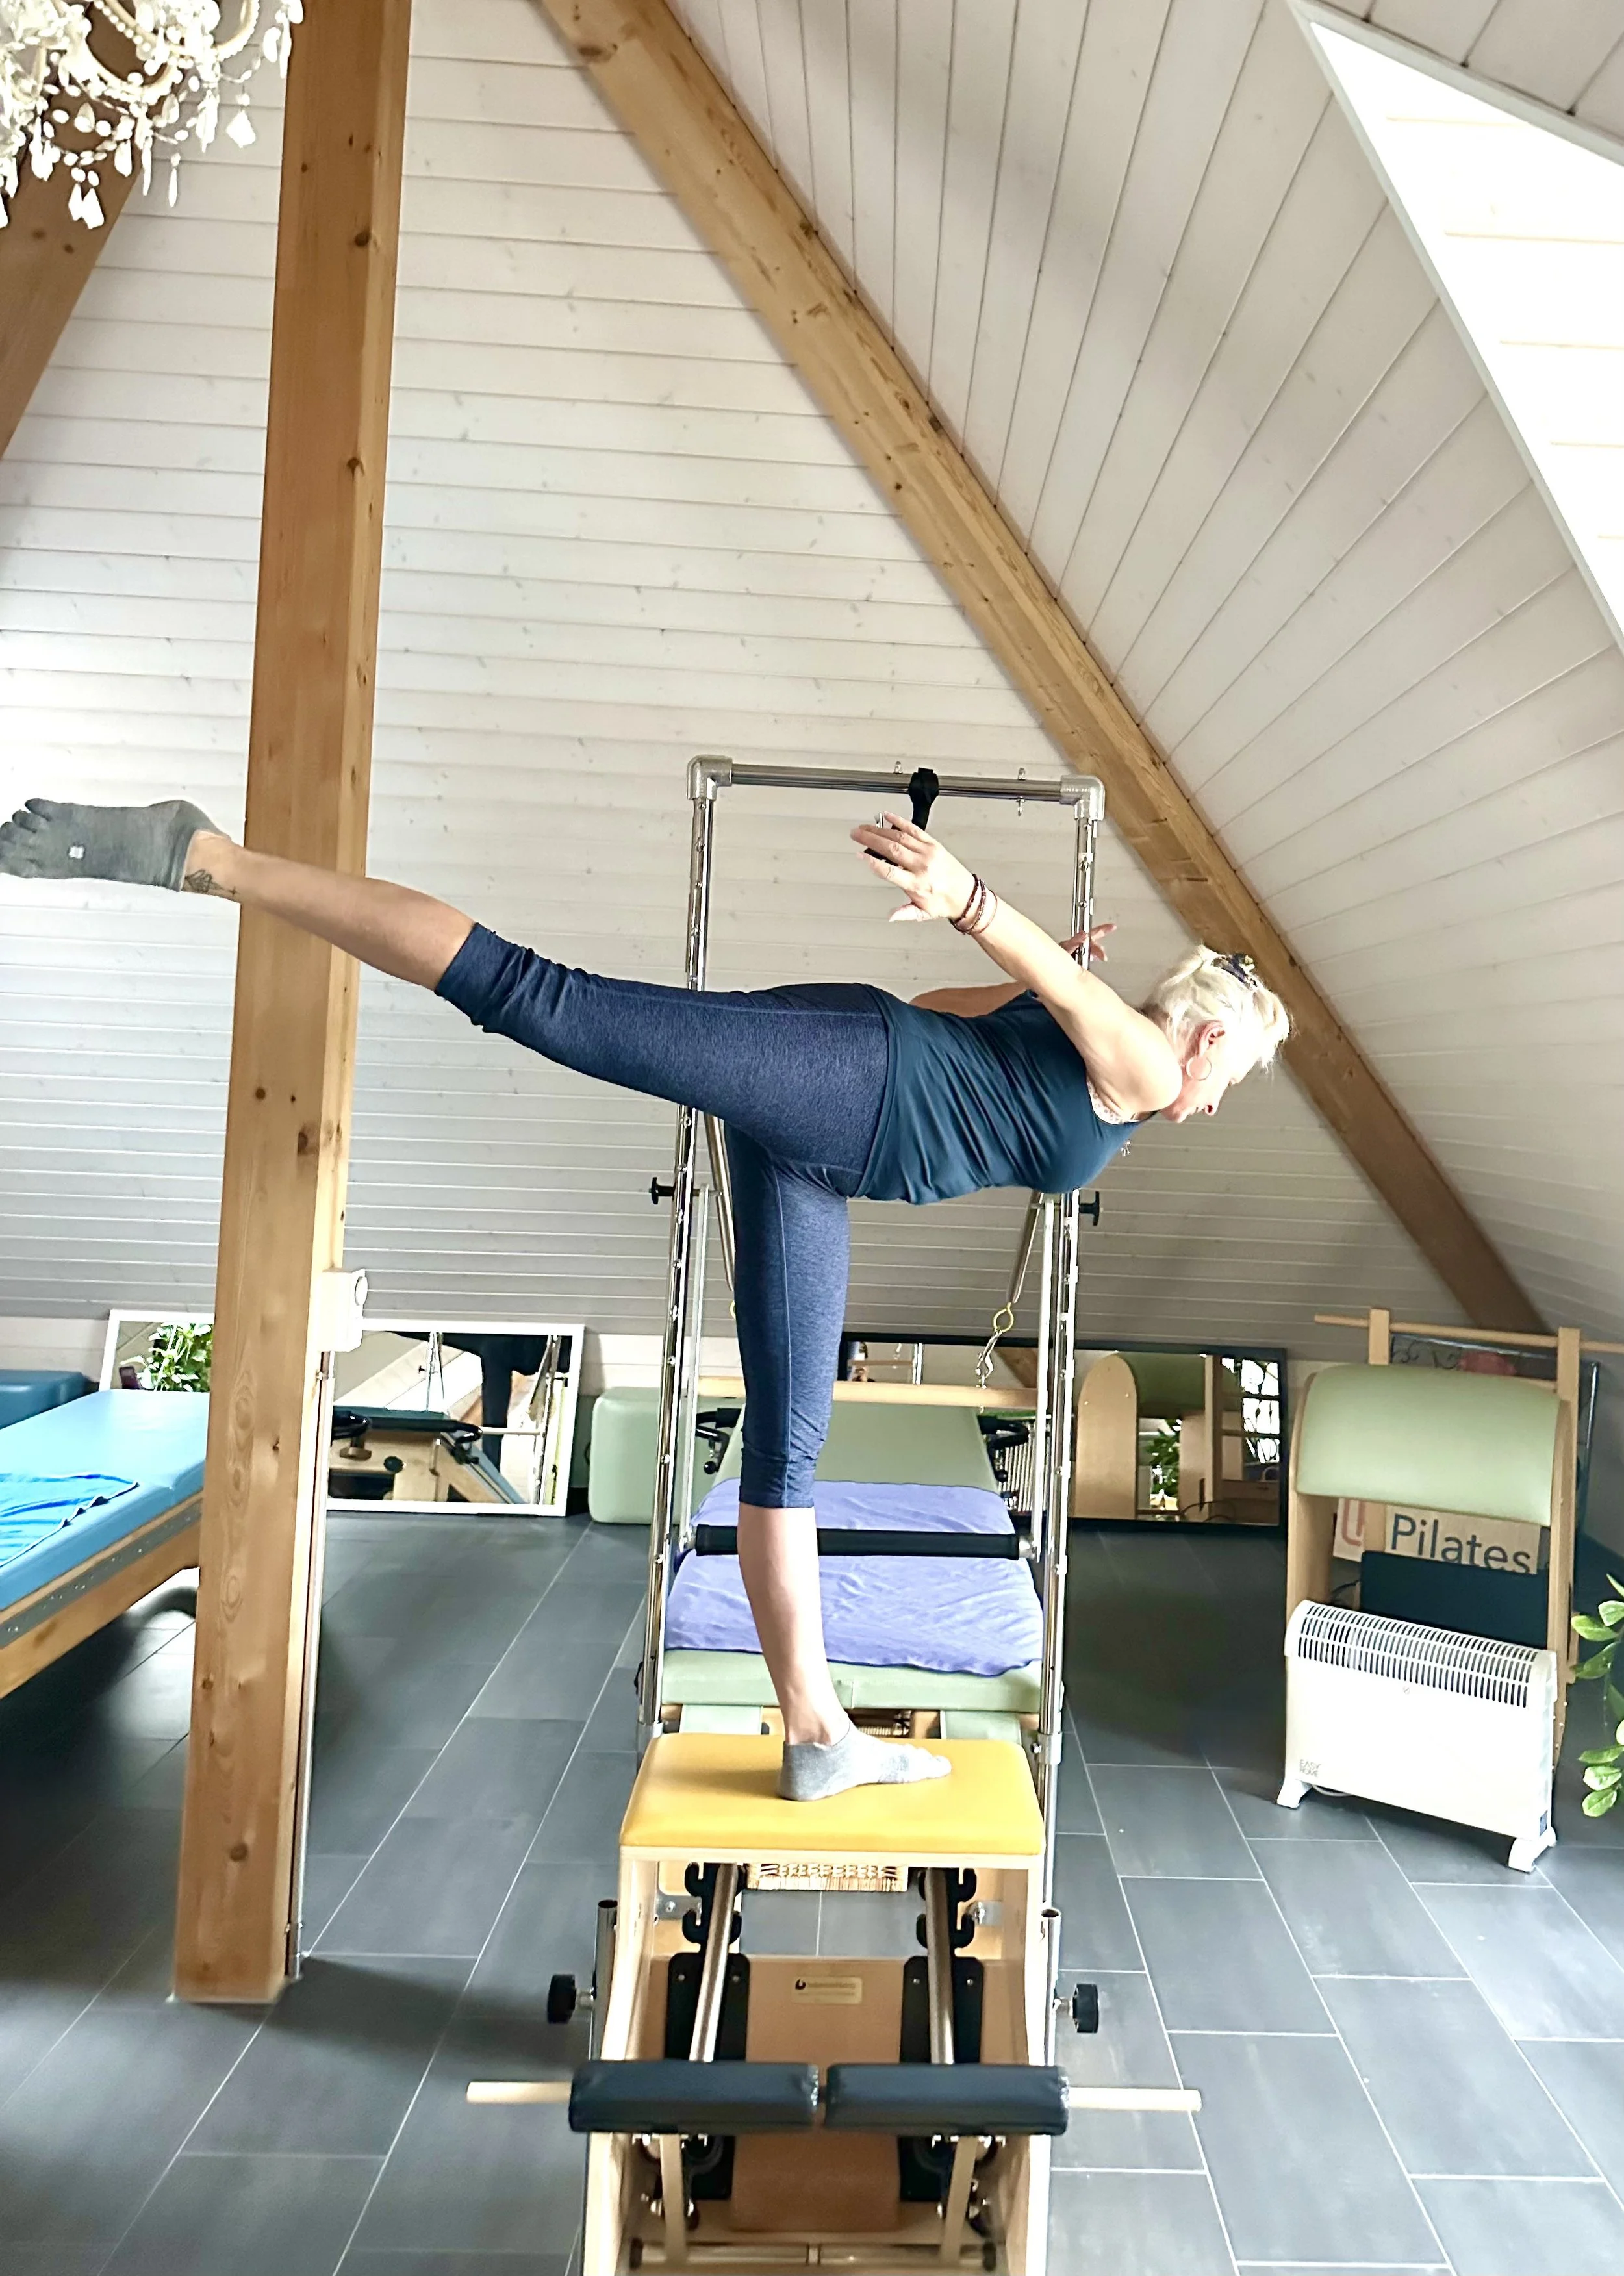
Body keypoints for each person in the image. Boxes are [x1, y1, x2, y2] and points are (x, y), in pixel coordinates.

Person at [0, 794, 1289, 1799]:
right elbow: (986, 981)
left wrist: (1026, 979)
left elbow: (947, 1015)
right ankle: (209, 858)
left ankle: (816, 1733)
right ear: (1210, 1036)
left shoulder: (1087, 1035)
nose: (1220, 1101)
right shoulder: (1130, 1061)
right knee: (534, 997)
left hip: (828, 1132)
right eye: (1236, 1078)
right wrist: (976, 904)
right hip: (839, 1082)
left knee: (788, 1445)